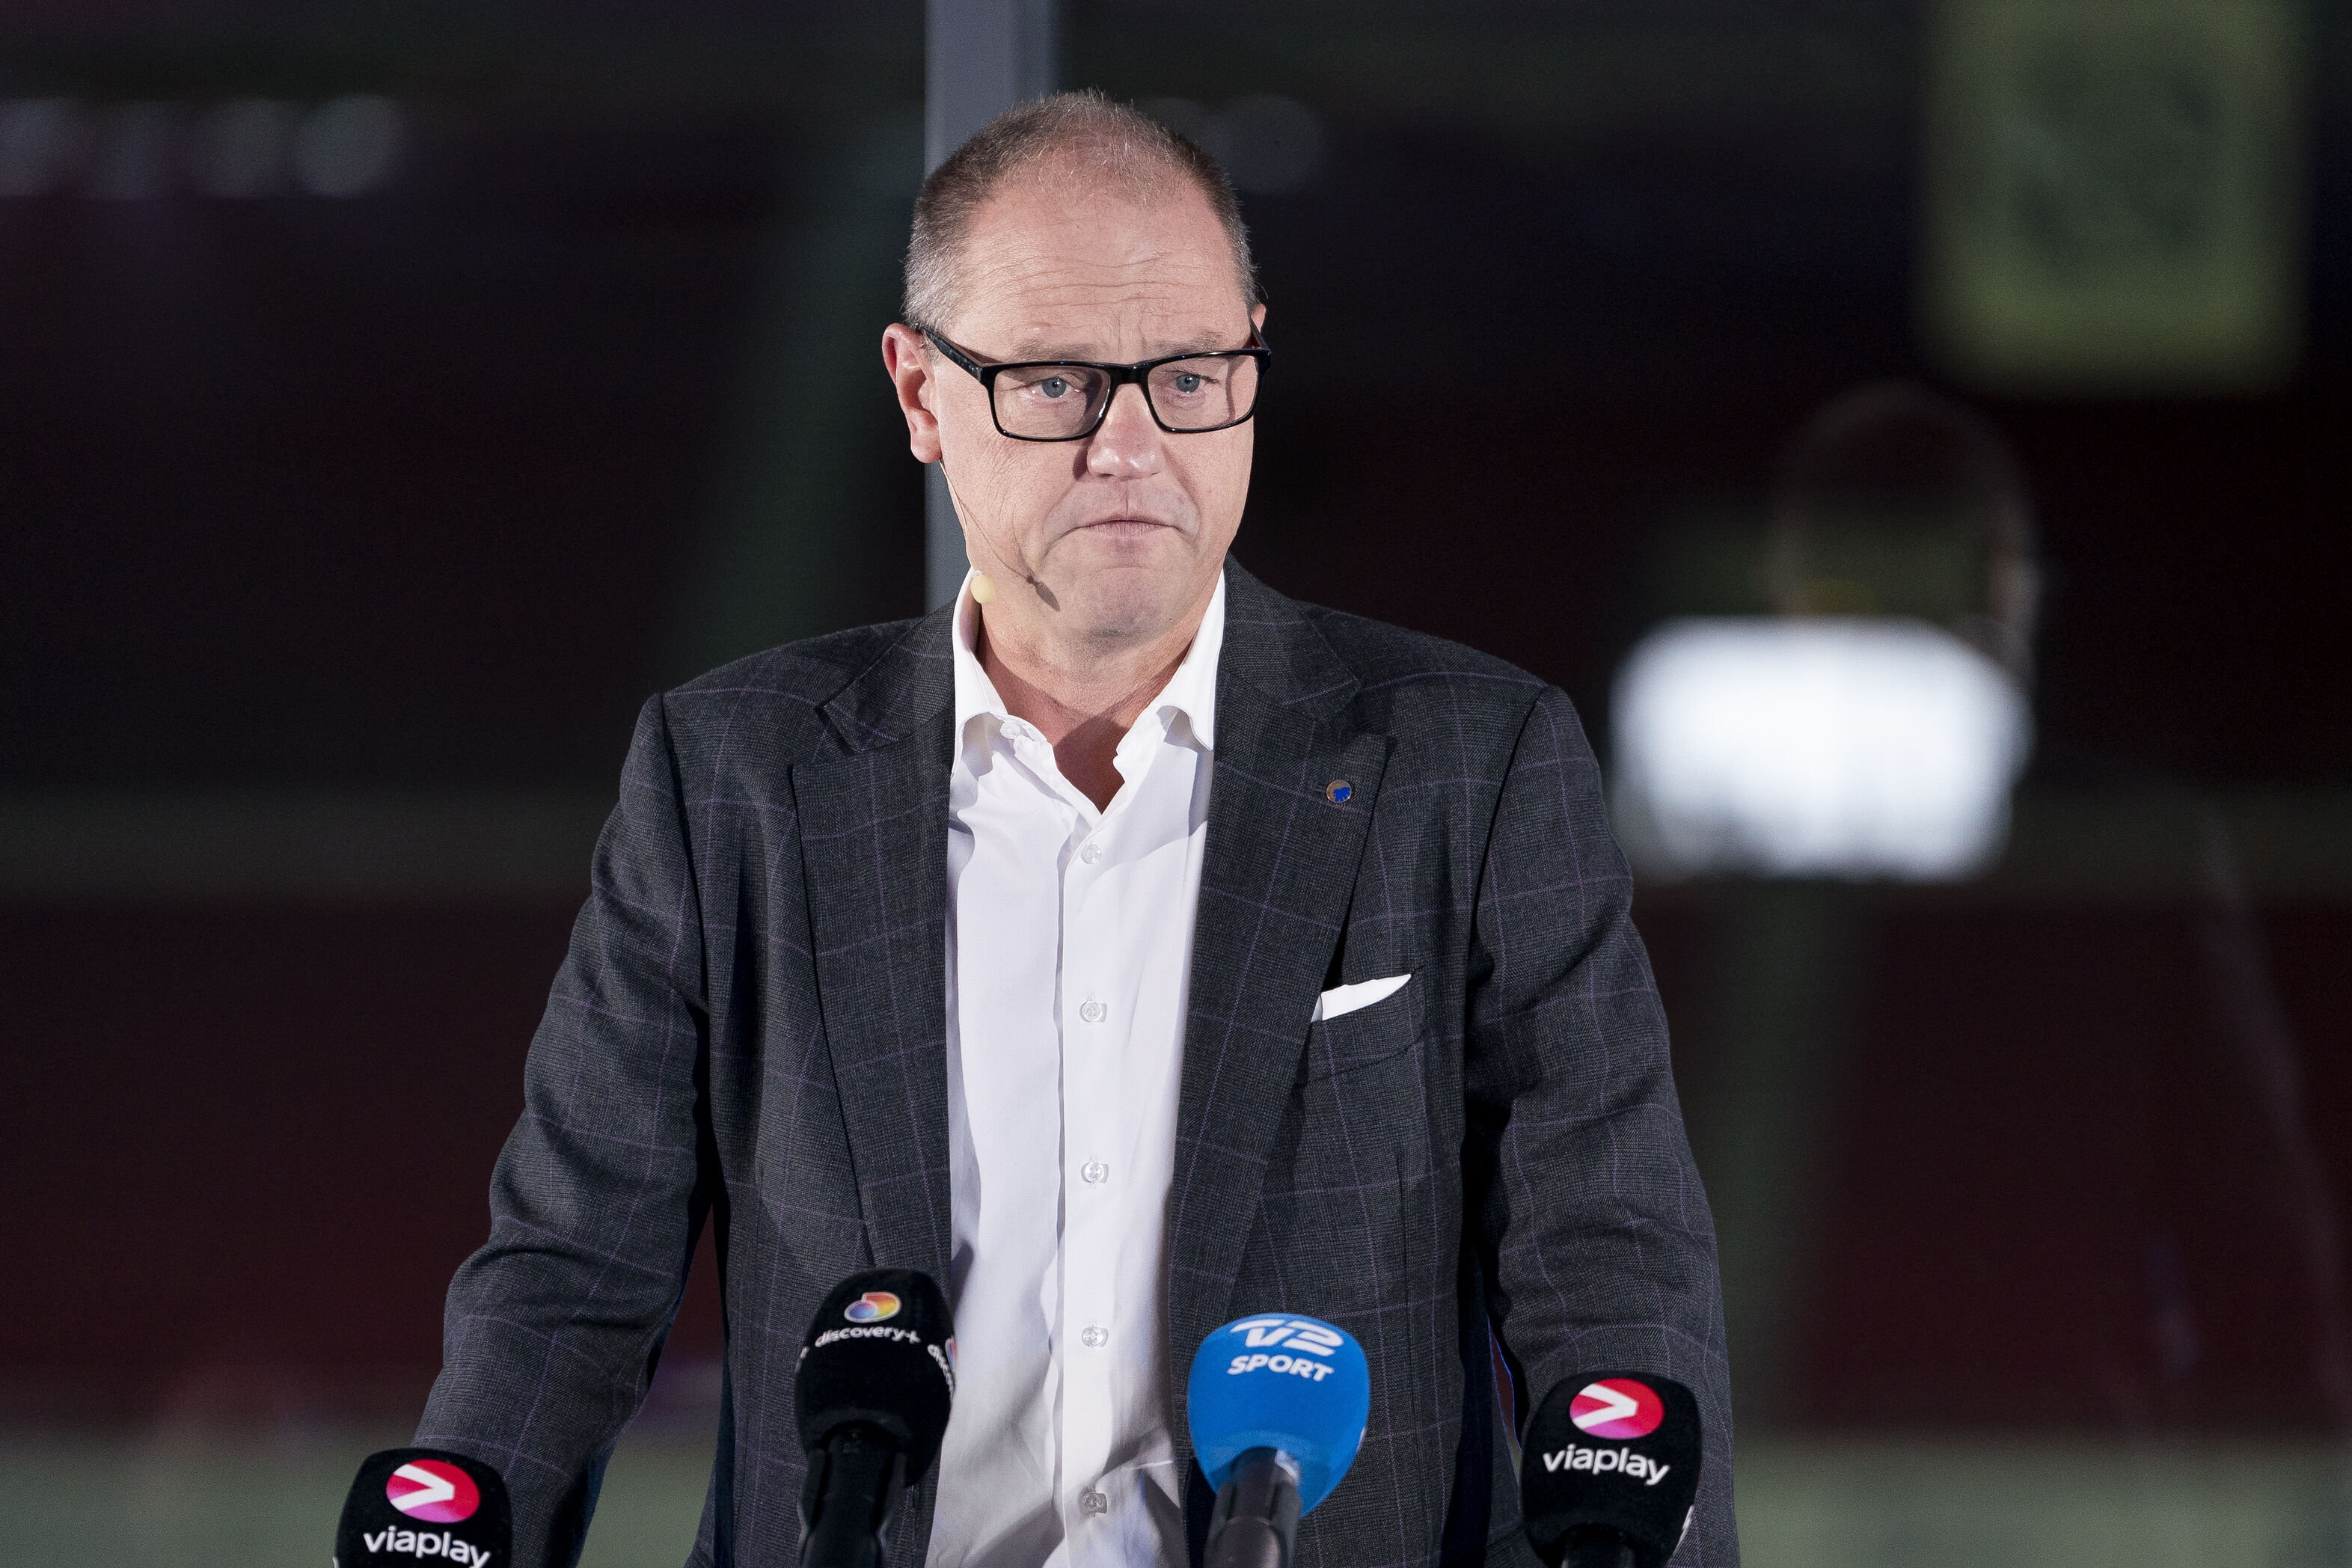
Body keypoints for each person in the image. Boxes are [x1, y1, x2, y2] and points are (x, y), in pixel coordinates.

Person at [418, 91, 1736, 1568]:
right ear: (920, 394)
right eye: (1054, 382)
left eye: (1187, 374)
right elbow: (566, 1281)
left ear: (1251, 351)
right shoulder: (728, 777)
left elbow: (1613, 1274)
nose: (1129, 445)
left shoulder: (1473, 764)